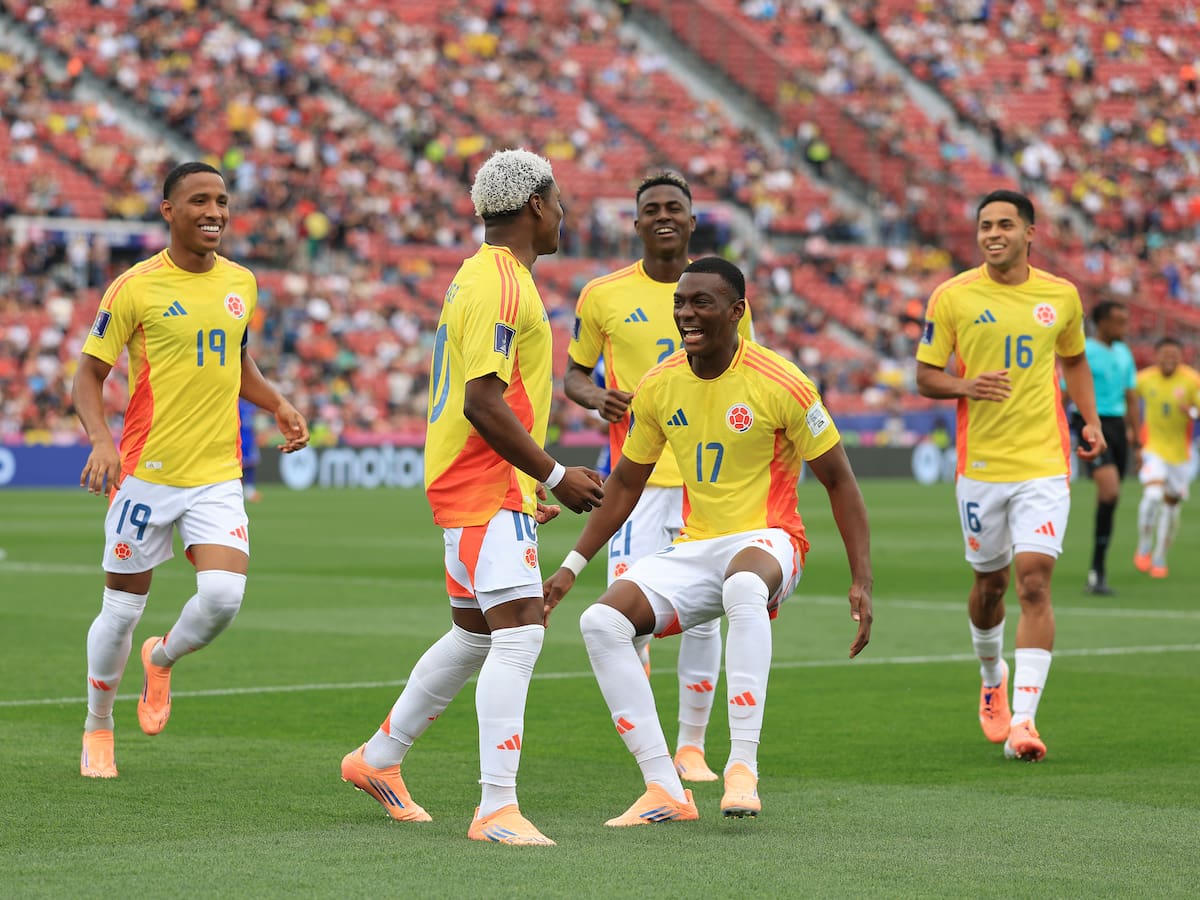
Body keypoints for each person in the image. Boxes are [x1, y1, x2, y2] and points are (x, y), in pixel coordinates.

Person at [544, 257, 873, 825]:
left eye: (701, 303)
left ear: (737, 312)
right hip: (699, 546)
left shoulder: (784, 383)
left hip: (772, 540)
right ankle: (663, 787)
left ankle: (742, 767)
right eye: (680, 303)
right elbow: (625, 483)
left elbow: (840, 481)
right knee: (601, 624)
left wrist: (861, 579)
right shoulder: (660, 383)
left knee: (743, 585)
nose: (686, 314)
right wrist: (572, 566)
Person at [339, 149, 604, 846]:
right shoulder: (502, 285)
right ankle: (495, 808)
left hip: (483, 482)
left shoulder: (477, 277)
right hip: (479, 482)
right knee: (519, 634)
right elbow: (483, 400)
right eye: (560, 200)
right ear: (535, 206)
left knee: (474, 634)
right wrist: (553, 475)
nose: (564, 213)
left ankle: (378, 759)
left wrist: (527, 484)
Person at [73, 161, 310, 779]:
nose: (214, 212)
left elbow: (236, 358)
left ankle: (164, 657)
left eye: (222, 201)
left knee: (224, 597)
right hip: (144, 476)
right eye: (199, 201)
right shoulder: (135, 287)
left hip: (216, 473)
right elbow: (88, 375)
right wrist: (101, 440)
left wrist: (277, 401)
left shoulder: (242, 282)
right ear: (168, 211)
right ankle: (99, 726)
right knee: (120, 610)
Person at [564, 171, 755, 783]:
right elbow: (571, 375)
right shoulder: (602, 296)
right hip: (637, 481)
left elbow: (743, 372)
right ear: (638, 222)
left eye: (676, 207)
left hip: (708, 479)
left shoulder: (722, 292)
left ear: (693, 220)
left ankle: (691, 747)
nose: (664, 216)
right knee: (628, 614)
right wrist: (597, 398)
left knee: (707, 614)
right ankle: (651, 750)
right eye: (652, 208)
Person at [915, 189, 1105, 763]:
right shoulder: (952, 297)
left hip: (1045, 464)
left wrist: (1090, 421)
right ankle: (990, 671)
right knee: (990, 587)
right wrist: (966, 385)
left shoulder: (1061, 296)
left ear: (1030, 233)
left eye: (1004, 224)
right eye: (984, 226)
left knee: (1034, 584)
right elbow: (925, 376)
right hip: (981, 470)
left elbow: (1073, 359)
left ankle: (1024, 720)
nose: (993, 233)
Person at [1070, 300, 1139, 595]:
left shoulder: (1124, 352)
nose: (1125, 327)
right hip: (1088, 422)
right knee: (1109, 489)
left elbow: (1131, 395)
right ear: (1101, 323)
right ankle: (1096, 570)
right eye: (1119, 321)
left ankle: (1098, 566)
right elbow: (1065, 390)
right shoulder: (1084, 350)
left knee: (1111, 498)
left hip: (1117, 426)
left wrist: (1136, 435)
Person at [1133, 337, 1200, 578]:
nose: (1169, 358)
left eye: (1174, 354)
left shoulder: (1192, 380)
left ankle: (1160, 556)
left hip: (1181, 456)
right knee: (1151, 496)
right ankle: (1144, 544)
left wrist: (1191, 411)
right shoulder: (1144, 378)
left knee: (1171, 509)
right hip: (1153, 448)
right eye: (1164, 354)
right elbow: (1128, 396)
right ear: (1156, 355)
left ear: (1181, 357)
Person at [238, 397, 262, 502]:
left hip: (249, 439)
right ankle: (242, 489)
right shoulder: (237, 405)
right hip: (240, 439)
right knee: (241, 465)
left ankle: (249, 490)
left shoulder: (249, 406)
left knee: (251, 464)